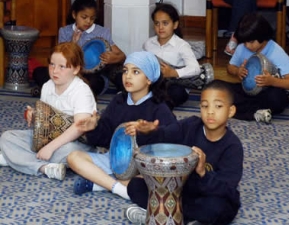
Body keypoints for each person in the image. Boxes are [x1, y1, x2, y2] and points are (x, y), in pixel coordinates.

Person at [124, 79, 244, 225]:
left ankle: (160, 215)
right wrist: (150, 130)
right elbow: (164, 136)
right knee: (135, 186)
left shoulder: (232, 146)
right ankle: (179, 218)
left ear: (230, 111)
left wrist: (203, 173)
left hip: (209, 195)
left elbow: (226, 188)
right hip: (180, 192)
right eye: (205, 106)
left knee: (218, 208)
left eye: (218, 106)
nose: (210, 112)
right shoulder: (191, 125)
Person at [66, 51, 177, 200]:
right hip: (114, 160)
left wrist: (152, 130)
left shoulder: (159, 107)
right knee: (74, 158)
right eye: (125, 71)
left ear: (149, 79)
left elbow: (174, 141)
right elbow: (105, 140)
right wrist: (94, 127)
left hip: (142, 167)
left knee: (158, 181)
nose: (128, 76)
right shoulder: (118, 101)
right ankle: (120, 189)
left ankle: (100, 183)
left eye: (136, 72)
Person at [0, 42, 97, 180]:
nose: (55, 71)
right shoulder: (47, 86)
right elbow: (46, 120)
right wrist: (35, 116)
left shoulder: (82, 91)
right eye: (52, 64)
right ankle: (44, 168)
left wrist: (50, 147)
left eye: (62, 67)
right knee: (7, 138)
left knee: (66, 153)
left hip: (75, 143)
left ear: (76, 69)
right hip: (48, 138)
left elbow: (79, 128)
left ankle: (15, 159)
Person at [32, 0, 126, 97]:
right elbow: (60, 58)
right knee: (39, 72)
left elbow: (122, 56)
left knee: (95, 82)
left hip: (88, 76)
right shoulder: (65, 32)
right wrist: (73, 43)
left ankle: (56, 90)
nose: (88, 21)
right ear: (74, 15)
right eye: (84, 17)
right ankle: (65, 91)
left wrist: (112, 58)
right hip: (67, 73)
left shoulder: (102, 32)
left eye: (92, 18)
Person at [225, 12, 289, 123]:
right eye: (244, 41)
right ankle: (256, 113)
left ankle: (238, 109)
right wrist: (237, 71)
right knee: (214, 87)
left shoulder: (276, 51)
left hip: (267, 94)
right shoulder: (242, 48)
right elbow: (230, 67)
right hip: (247, 92)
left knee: (277, 99)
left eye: (251, 42)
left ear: (262, 36)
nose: (247, 45)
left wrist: (272, 81)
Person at [143, 3, 201, 109]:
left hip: (174, 84)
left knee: (176, 92)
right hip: (154, 83)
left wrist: (173, 72)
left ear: (175, 25)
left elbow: (195, 68)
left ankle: (159, 107)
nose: (160, 27)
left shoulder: (182, 45)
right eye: (157, 23)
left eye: (165, 23)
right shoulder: (148, 44)